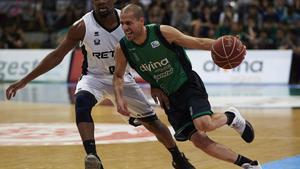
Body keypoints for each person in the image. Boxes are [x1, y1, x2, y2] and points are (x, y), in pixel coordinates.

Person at [5, 1, 195, 169]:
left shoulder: (127, 21)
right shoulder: (81, 26)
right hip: (93, 78)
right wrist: (24, 81)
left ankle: (178, 158)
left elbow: (148, 53)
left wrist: (154, 83)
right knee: (81, 102)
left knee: (154, 124)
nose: (101, 2)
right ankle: (92, 155)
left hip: (122, 79)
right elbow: (57, 56)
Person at [113, 4, 262, 169]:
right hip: (170, 98)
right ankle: (248, 164)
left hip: (187, 84)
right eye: (122, 24)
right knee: (199, 141)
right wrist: (121, 98)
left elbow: (197, 42)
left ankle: (231, 116)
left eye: (129, 23)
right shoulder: (123, 47)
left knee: (203, 124)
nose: (125, 28)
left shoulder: (162, 32)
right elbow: (118, 76)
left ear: (141, 21)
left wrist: (231, 45)